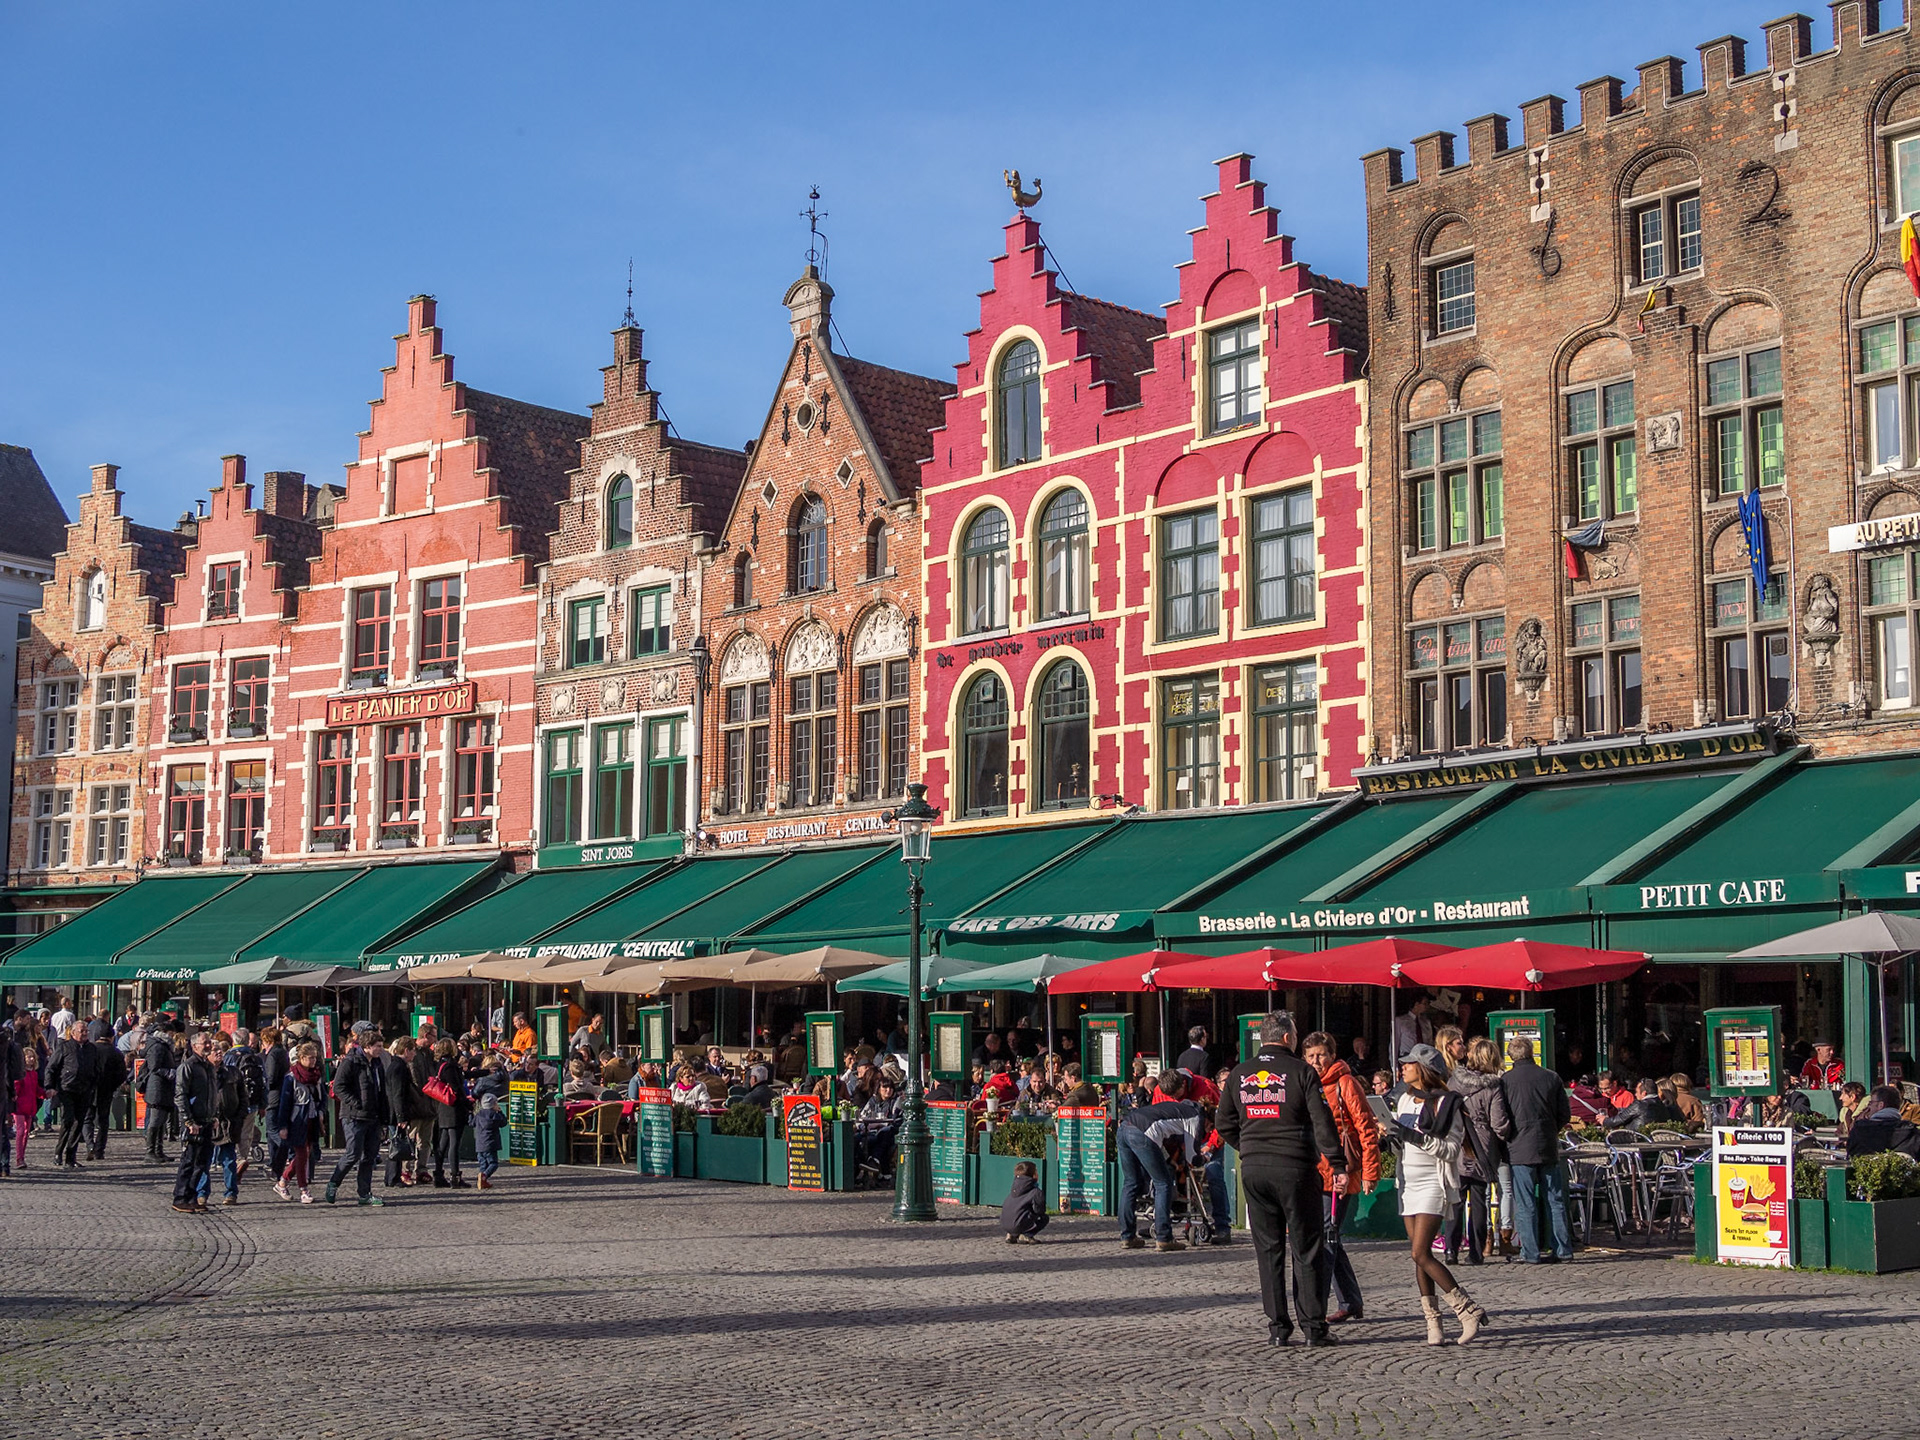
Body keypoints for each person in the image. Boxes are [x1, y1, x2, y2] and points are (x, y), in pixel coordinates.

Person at [1218, 1013, 1345, 1348]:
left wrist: (1249, 1146)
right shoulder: (1302, 1072)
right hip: (1295, 1168)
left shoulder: (1240, 1074)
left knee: (1268, 1249)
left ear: (1263, 1038)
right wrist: (1338, 1163)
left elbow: (1224, 1123)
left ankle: (1278, 1327)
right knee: (1306, 1248)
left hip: (1255, 1170)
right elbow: (1323, 1122)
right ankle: (1314, 1327)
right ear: (1289, 1038)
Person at [1377, 1044, 1487, 1345]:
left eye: (1408, 1064)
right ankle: (1433, 1323)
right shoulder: (1405, 1100)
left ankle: (1467, 1310)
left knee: (1420, 1252)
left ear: (1423, 1069)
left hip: (1433, 1183)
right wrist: (1391, 1137)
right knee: (1419, 1258)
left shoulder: (1447, 1104)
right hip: (1408, 1181)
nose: (1402, 1068)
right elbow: (1406, 1144)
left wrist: (1413, 1136)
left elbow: (1451, 1150)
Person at [1301, 1031, 1379, 1324]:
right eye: (1310, 1056)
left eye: (1320, 1055)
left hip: (1340, 1174)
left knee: (1327, 1238)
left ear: (1332, 1055)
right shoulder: (1307, 1083)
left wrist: (1370, 1172)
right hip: (1314, 1171)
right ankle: (1350, 1301)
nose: (1316, 1061)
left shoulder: (1345, 1083)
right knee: (1329, 1237)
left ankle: (1316, 1308)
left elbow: (1366, 1128)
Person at [1495, 1033, 1573, 1266]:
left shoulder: (1506, 1081)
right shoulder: (1551, 1077)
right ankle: (1563, 1249)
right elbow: (1564, 1114)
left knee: (1525, 1202)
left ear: (1511, 1055)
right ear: (1531, 1052)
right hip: (1547, 1145)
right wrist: (1550, 1129)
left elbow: (1501, 1116)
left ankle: (1530, 1252)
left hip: (1519, 1148)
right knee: (1555, 1200)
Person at [1115, 1069, 1203, 1254]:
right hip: (1142, 1132)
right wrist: (1201, 1158)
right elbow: (1192, 1155)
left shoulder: (1169, 1108)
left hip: (1124, 1127)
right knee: (1162, 1183)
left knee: (1130, 1183)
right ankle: (1164, 1237)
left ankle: (1127, 1236)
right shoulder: (1194, 1117)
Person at [1445, 1037, 1505, 1266]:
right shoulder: (1493, 1086)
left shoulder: (1454, 1081)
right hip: (1482, 1146)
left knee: (1456, 1199)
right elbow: (1498, 1122)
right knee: (1479, 1199)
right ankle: (1476, 1252)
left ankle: (1451, 1249)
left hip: (1458, 1142)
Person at [324, 1023, 388, 1207]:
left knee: (369, 1156)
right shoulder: (351, 1061)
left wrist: (383, 1115)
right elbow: (338, 1087)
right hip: (354, 1116)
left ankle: (364, 1193)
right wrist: (357, 1102)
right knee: (352, 1153)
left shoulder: (377, 1063)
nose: (380, 1050)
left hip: (373, 1116)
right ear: (367, 1046)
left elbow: (380, 1090)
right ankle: (333, 1183)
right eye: (377, 1047)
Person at [171, 1031, 219, 1214]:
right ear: (194, 1046)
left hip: (206, 1121)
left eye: (209, 1042)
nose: (209, 1045)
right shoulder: (188, 1067)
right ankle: (180, 1197)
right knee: (189, 1161)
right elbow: (180, 1095)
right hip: (194, 1123)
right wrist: (188, 1120)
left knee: (202, 1163)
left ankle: (191, 1197)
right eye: (205, 1043)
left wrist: (214, 1116)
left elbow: (212, 1094)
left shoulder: (208, 1066)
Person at [273, 1041, 325, 1203]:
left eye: (315, 1058)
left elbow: (321, 1097)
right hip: (297, 1120)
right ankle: (303, 1189)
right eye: (310, 1058)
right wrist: (283, 1126)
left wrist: (321, 1113)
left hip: (312, 1118)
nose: (313, 1061)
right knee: (302, 1154)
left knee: (305, 1154)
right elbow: (285, 1103)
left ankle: (283, 1182)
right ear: (301, 1058)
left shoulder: (316, 1076)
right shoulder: (291, 1077)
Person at [382, 1035, 433, 1187]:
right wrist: (401, 1116)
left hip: (399, 1111)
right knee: (398, 1145)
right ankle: (393, 1177)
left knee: (398, 1143)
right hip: (398, 1112)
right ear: (406, 1050)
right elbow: (398, 1093)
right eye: (412, 1051)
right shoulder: (398, 1067)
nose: (414, 1054)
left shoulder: (397, 1065)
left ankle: (394, 1177)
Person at [51, 1020, 98, 1169]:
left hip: (84, 1090)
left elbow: (96, 1068)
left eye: (86, 1031)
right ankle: (58, 1152)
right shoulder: (65, 1047)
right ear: (73, 1033)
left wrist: (93, 1085)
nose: (84, 1034)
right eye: (81, 1031)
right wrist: (50, 1086)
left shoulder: (91, 1049)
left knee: (79, 1123)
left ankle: (71, 1156)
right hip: (67, 1089)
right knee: (67, 1121)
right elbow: (52, 1068)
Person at [1845, 1086, 1920, 1159]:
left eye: (1871, 1103)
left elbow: (1851, 1158)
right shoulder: (1913, 1135)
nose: (1869, 1107)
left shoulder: (1859, 1132)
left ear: (1880, 1105)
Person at [471, 1055, 508, 1190]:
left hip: (480, 1141)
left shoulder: (484, 1078)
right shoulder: (505, 1075)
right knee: (493, 1161)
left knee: (483, 1161)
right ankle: (485, 1177)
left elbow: (475, 1093)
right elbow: (503, 1122)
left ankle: (482, 1175)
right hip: (492, 1139)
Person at [143, 1020, 177, 1163]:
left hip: (163, 1087)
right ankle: (150, 1151)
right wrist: (170, 1073)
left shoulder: (164, 1045)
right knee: (156, 1120)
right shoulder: (157, 1046)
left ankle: (159, 1150)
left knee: (162, 1119)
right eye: (171, 1033)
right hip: (157, 1087)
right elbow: (154, 1067)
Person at [1001, 1159, 1049, 1243]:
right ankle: (1026, 1234)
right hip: (1019, 1223)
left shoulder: (1014, 1189)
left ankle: (1011, 1234)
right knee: (1044, 1218)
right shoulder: (1035, 1191)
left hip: (1005, 1224)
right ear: (1033, 1175)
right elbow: (1039, 1210)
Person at [11, 1044, 39, 1171]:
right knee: (20, 1131)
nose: (31, 1059)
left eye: (33, 1057)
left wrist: (45, 1093)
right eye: (29, 1057)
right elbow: (16, 1088)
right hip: (19, 1107)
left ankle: (22, 1156)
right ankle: (19, 1158)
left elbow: (35, 1090)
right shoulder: (21, 1074)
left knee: (26, 1133)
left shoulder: (33, 1074)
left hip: (30, 1107)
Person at [1610, 1077, 1678, 1130]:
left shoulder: (1639, 1105)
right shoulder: (1665, 1107)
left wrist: (1604, 1120)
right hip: (1658, 1142)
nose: (1635, 1095)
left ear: (1644, 1093)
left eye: (1636, 1092)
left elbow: (1618, 1120)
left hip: (1636, 1141)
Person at [1391, 994, 1431, 1060]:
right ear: (1416, 1004)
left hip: (1424, 1057)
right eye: (1425, 1003)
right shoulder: (1400, 1021)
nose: (1427, 1006)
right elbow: (1394, 1044)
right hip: (1407, 1056)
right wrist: (1395, 1065)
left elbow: (1430, 1041)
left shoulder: (1426, 1022)